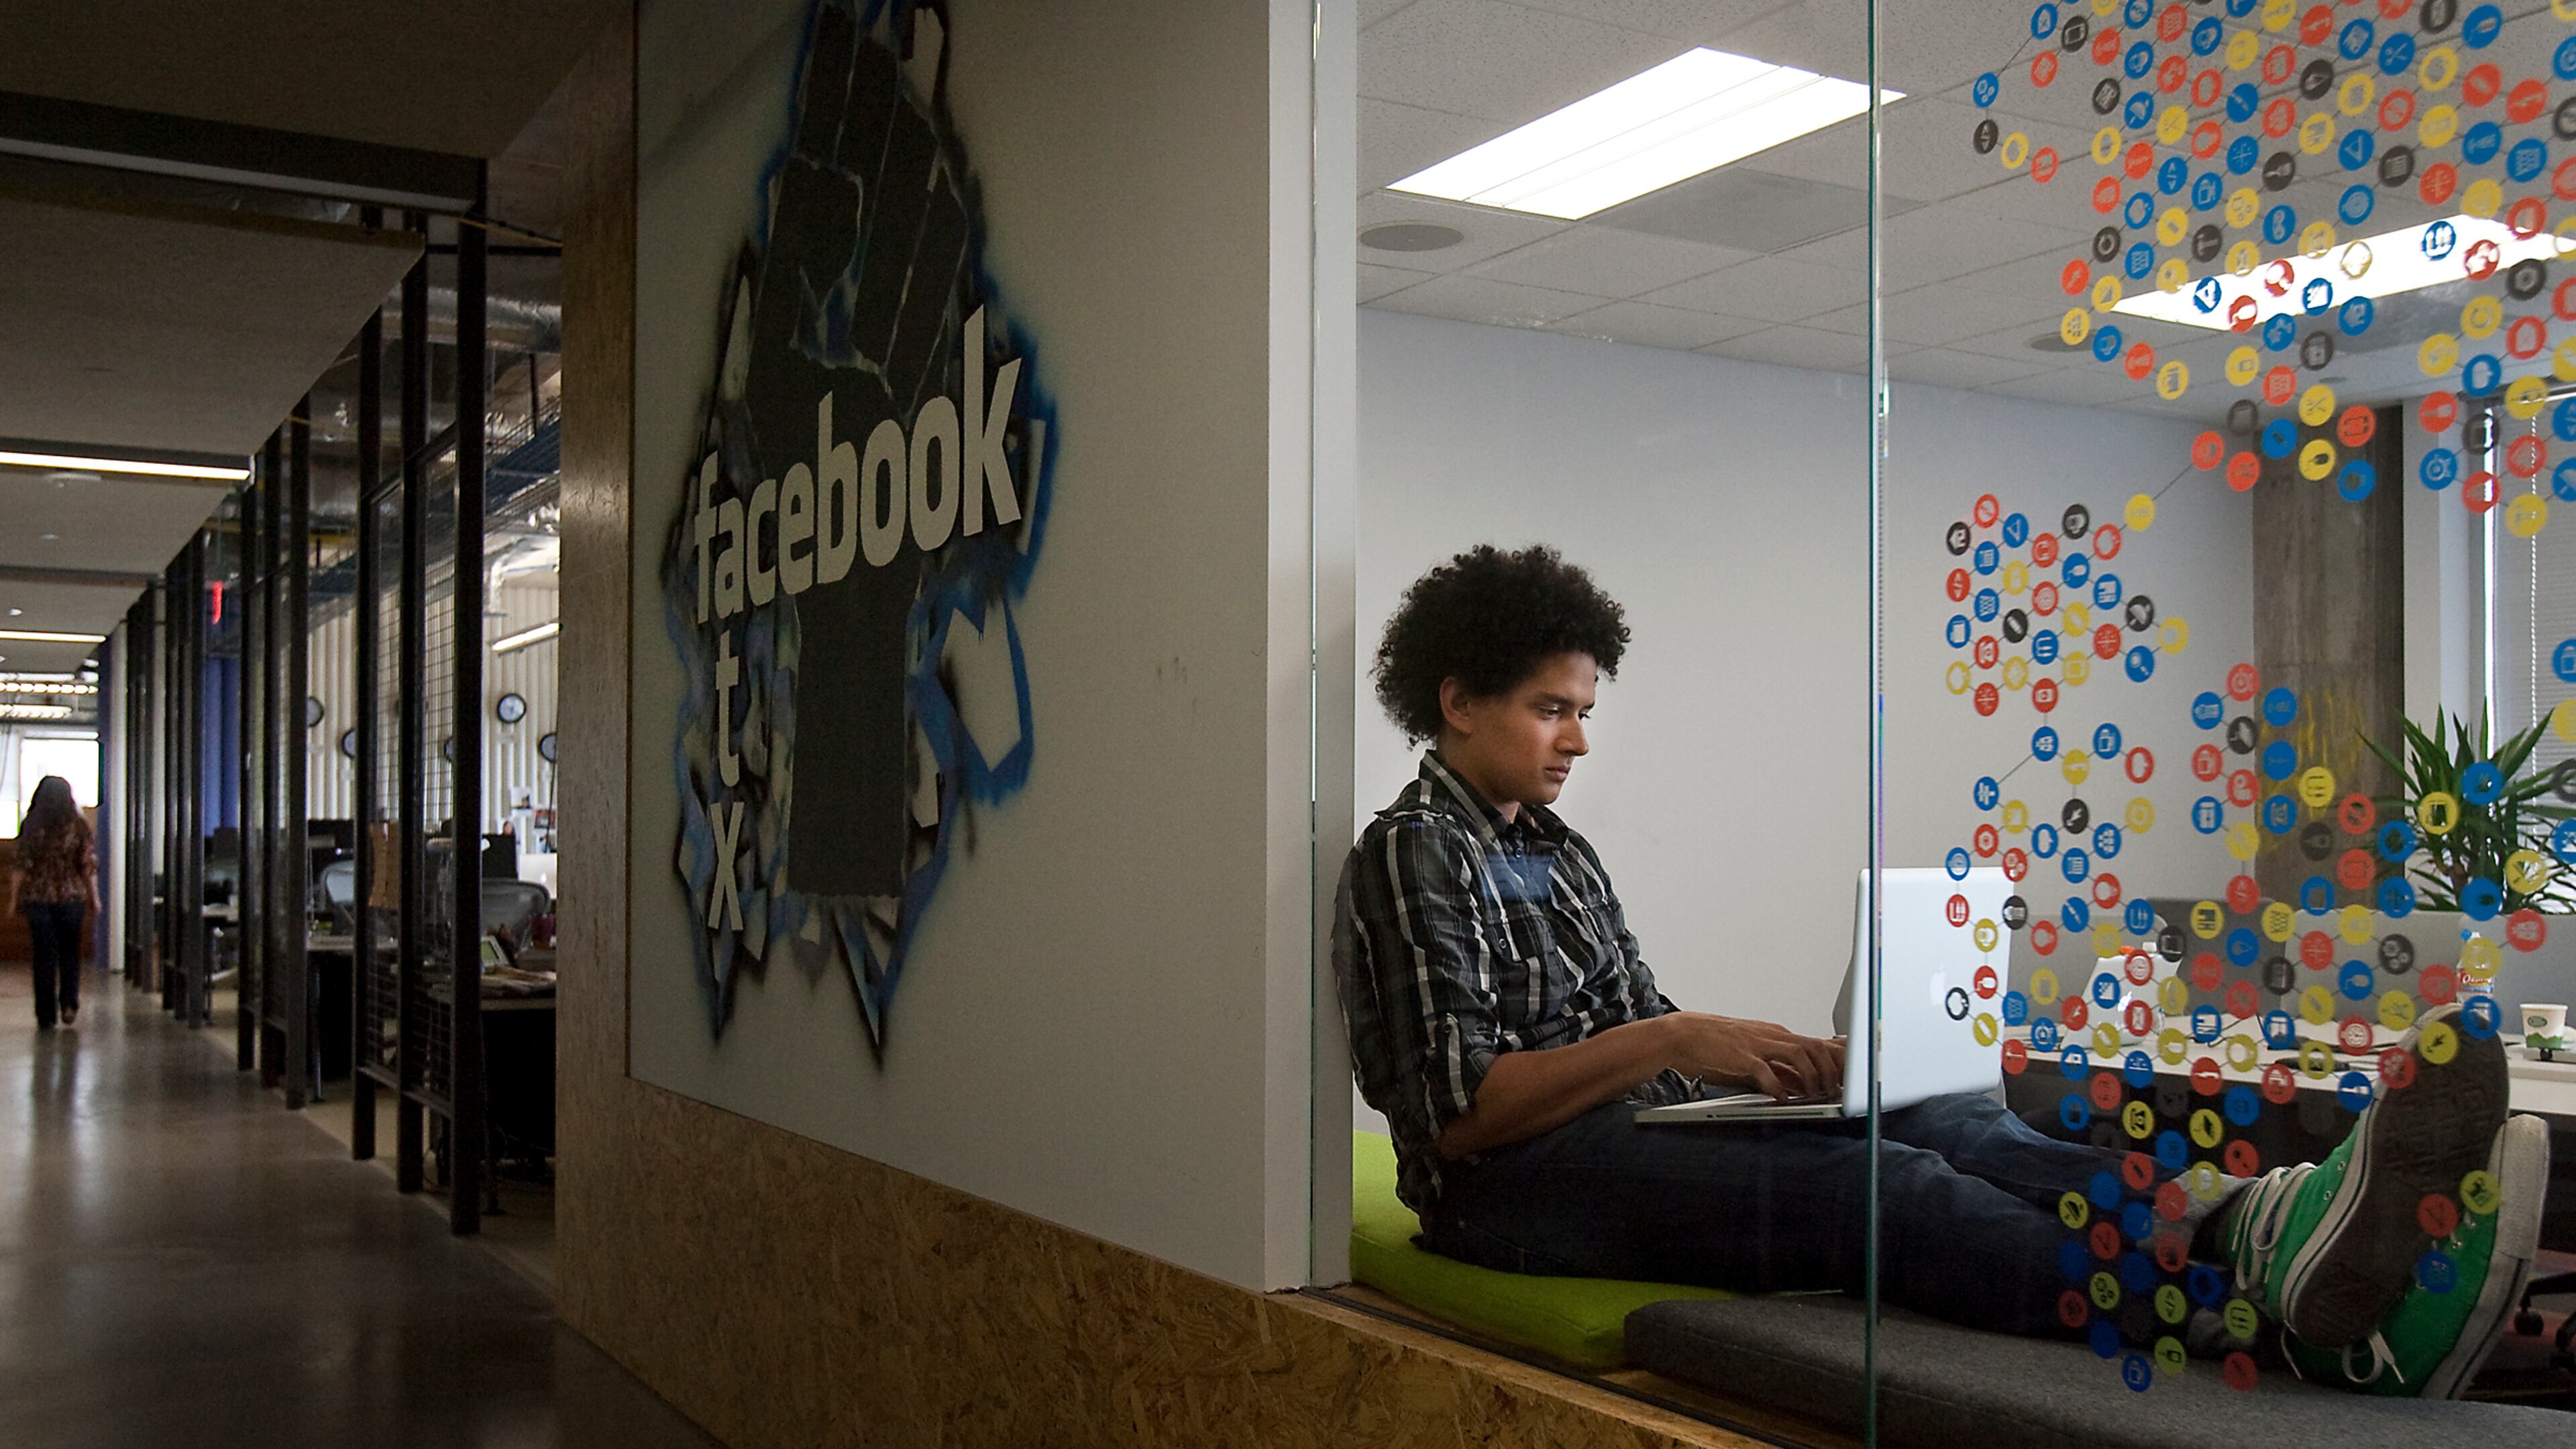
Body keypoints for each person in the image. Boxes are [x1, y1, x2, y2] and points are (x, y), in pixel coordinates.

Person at [1333, 544, 2537, 1397]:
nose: (1580, 738)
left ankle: (2252, 1219)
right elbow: (1461, 1120)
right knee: (1890, 1189)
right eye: (1553, 709)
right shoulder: (1409, 855)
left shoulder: (1561, 852)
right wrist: (1669, 1042)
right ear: (1458, 698)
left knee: (1948, 1115)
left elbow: (1647, 1024)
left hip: (1631, 1137)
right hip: (1509, 1197)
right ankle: (2280, 1325)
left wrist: (1773, 1066)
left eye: (1583, 708)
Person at [13, 775, 97, 1030]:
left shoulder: (31, 824)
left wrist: (13, 900)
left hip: (37, 899)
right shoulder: (79, 826)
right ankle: (69, 1003)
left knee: (43, 956)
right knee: (70, 954)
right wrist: (95, 898)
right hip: (71, 898)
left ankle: (46, 1015)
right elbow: (87, 866)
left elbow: (22, 866)